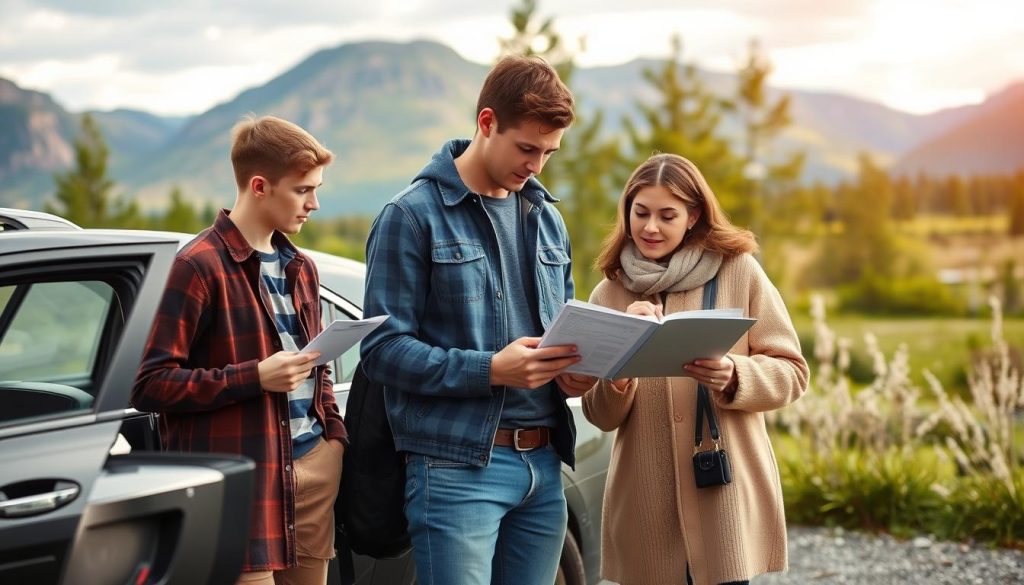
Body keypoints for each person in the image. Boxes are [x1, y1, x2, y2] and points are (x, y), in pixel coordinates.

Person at [360, 55, 591, 585]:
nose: (537, 165)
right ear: (486, 123)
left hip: (545, 467)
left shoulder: (547, 218)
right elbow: (382, 351)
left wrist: (576, 370)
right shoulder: (410, 216)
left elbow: (566, 326)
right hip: (456, 471)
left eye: (549, 153)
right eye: (527, 148)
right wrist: (491, 369)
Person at [132, 115, 346, 585]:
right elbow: (149, 385)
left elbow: (318, 368)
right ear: (259, 186)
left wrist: (333, 438)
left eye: (317, 188)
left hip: (313, 469)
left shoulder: (301, 268)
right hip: (240, 482)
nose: (314, 203)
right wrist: (254, 377)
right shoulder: (197, 267)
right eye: (303, 190)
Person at [580, 153, 809, 585]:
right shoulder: (608, 293)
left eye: (667, 215)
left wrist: (736, 376)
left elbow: (793, 372)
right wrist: (622, 364)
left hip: (723, 495)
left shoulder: (740, 272)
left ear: (694, 216)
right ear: (626, 210)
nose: (650, 227)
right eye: (640, 212)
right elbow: (600, 414)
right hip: (645, 507)